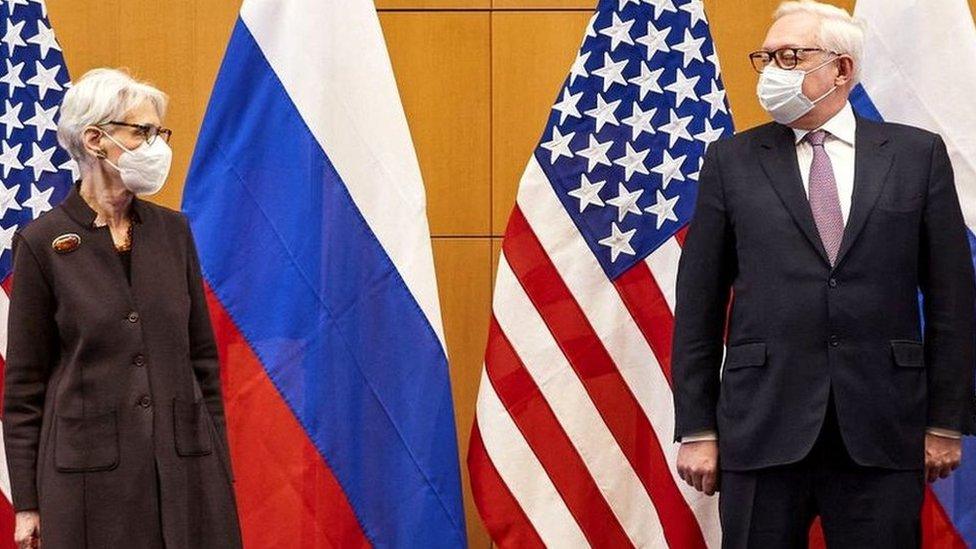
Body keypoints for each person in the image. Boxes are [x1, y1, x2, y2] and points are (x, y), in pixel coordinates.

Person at [671, 1, 976, 547]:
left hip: (883, 428)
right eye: (765, 58)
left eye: (790, 56)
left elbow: (953, 299)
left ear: (842, 69)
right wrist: (696, 429)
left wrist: (945, 420)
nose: (772, 72)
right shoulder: (731, 161)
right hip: (761, 426)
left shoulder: (916, 156)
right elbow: (698, 303)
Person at [3, 68, 242, 548]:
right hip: (87, 481)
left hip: (185, 471)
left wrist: (217, 467)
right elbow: (24, 388)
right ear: (94, 139)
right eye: (142, 131)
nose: (156, 146)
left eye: (159, 132)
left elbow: (203, 364)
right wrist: (27, 503)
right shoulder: (42, 242)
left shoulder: (174, 233)